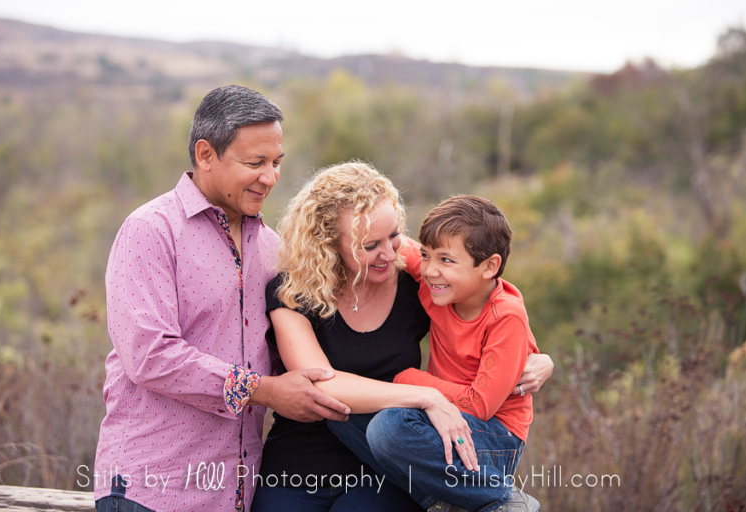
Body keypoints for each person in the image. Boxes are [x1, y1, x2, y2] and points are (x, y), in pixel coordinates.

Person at [93, 85, 350, 512]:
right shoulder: (150, 230)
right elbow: (149, 356)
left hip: (235, 496)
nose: (270, 177)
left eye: (276, 163)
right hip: (151, 490)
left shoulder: (273, 248)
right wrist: (265, 391)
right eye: (255, 163)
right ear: (205, 154)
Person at [251, 163, 553, 512]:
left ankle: (474, 497)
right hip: (309, 454)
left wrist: (540, 359)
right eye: (370, 245)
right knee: (341, 420)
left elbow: (482, 297)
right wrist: (423, 395)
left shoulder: (418, 282)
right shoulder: (294, 292)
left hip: (400, 454)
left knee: (384, 438)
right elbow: (321, 385)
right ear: (329, 244)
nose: (390, 253)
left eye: (394, 235)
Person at [354, 195, 542, 512]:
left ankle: (501, 499)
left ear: (489, 266)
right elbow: (397, 245)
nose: (430, 270)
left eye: (446, 261)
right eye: (427, 256)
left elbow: (480, 405)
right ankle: (442, 497)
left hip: (495, 437)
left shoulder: (505, 317)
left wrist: (409, 380)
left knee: (390, 427)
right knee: (342, 410)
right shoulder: (437, 282)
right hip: (439, 417)